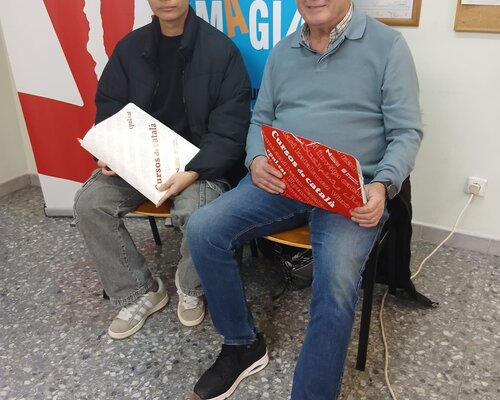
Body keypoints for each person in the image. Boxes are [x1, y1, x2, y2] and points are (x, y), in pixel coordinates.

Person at [186, 0, 423, 399]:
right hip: (285, 178)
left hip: (351, 190)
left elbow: (406, 132)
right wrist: (256, 158)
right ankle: (242, 344)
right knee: (203, 228)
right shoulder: (284, 51)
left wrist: (383, 185)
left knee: (335, 282)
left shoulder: (388, 46)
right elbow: (260, 120)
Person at [73, 0, 250, 340]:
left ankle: (190, 287)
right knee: (89, 203)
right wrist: (111, 150)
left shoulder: (221, 51)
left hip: (200, 165)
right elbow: (110, 109)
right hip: (140, 162)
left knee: (198, 213)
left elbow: (230, 130)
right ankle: (140, 291)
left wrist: (193, 171)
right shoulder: (130, 48)